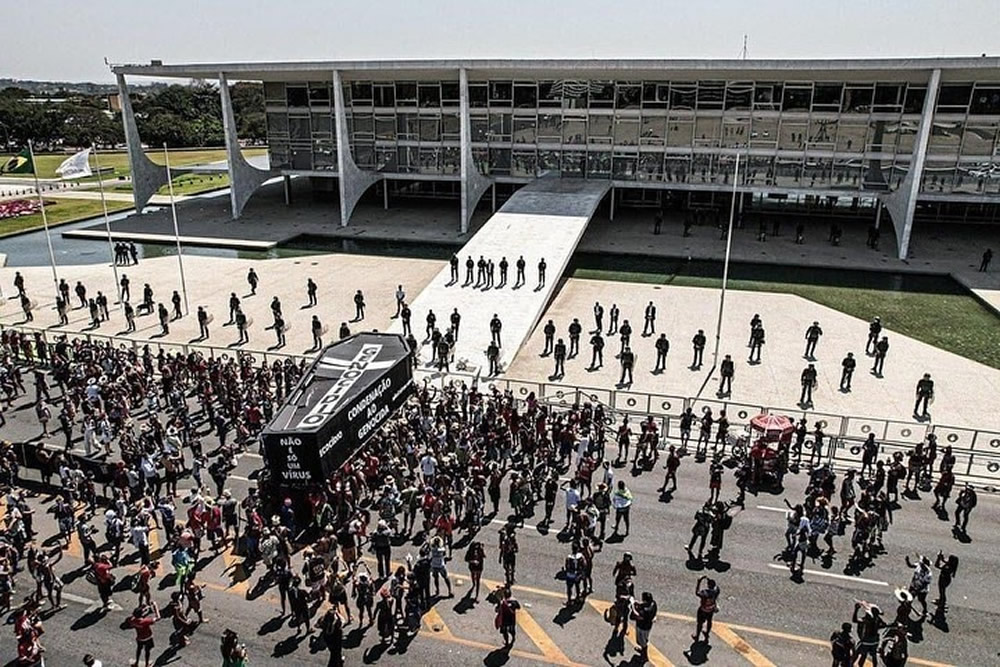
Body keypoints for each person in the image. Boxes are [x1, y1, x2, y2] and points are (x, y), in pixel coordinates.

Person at [127, 602, 160, 667]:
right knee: (147, 651)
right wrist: (155, 606)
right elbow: (158, 617)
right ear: (141, 614)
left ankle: (136, 663)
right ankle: (147, 664)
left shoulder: (132, 620)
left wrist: (143, 608)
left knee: (139, 649)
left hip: (139, 638)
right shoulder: (145, 621)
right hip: (148, 638)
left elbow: (135, 615)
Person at [692, 576, 719, 643]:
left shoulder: (705, 593)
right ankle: (707, 634)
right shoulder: (716, 591)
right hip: (710, 610)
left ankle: (697, 636)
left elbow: (697, 592)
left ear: (708, 585)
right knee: (709, 621)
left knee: (700, 623)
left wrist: (699, 581)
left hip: (703, 610)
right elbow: (716, 588)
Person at [633, 592, 657, 661]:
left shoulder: (645, 611)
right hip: (648, 626)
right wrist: (639, 604)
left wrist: (633, 607)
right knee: (643, 640)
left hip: (642, 627)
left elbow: (637, 616)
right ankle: (642, 651)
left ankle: (644, 656)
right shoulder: (653, 604)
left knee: (642, 641)